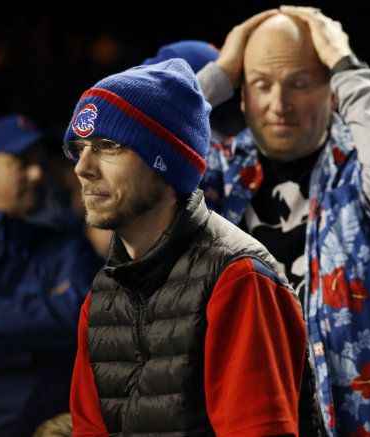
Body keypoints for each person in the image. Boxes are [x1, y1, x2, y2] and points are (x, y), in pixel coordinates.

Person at [197, 7, 370, 436]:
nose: (279, 104)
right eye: (261, 84)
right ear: (242, 94)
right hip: (225, 415)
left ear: (332, 90)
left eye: (299, 84)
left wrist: (347, 66)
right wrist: (217, 74)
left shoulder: (360, 168)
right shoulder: (217, 169)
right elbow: (133, 174)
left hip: (344, 422)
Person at [64, 59, 307, 435]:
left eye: (107, 145)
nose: (83, 167)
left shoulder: (239, 278)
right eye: (79, 148)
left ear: (165, 163)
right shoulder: (101, 296)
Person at [0, 114, 102, 437]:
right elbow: (58, 323)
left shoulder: (70, 246)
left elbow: (81, 320)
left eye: (40, 162)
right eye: (21, 162)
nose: (37, 173)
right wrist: (37, 332)